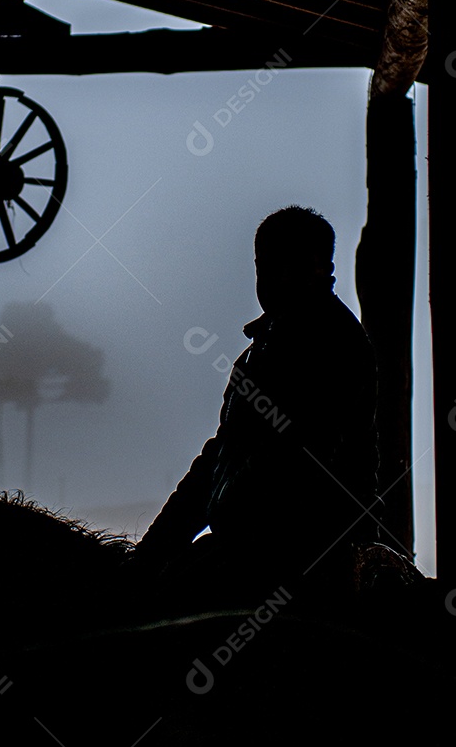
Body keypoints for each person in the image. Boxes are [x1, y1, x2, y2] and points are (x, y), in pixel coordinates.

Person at [134, 205, 380, 609]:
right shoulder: (260, 352)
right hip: (251, 548)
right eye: (266, 266)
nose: (273, 278)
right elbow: (219, 459)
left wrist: (224, 547)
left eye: (289, 266)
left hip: (308, 557)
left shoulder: (336, 345)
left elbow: (297, 461)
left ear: (322, 268)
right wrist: (152, 552)